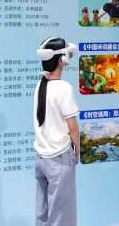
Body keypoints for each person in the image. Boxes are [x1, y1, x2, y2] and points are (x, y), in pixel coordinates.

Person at [34, 37, 79, 226]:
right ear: (62, 60)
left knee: (43, 215)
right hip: (59, 158)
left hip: (41, 158)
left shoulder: (40, 85)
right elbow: (73, 127)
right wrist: (77, 153)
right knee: (62, 216)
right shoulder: (64, 88)